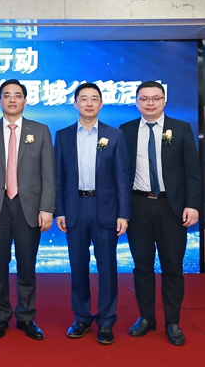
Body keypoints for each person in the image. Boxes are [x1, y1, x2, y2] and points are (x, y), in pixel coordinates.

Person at [0, 78, 55, 340]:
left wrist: (47, 208)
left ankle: (26, 317)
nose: (12, 99)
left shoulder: (40, 130)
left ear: (25, 101)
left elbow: (49, 174)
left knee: (27, 265)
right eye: (6, 95)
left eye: (17, 95)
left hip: (28, 207)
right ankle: (0, 316)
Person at [120, 81, 200, 346]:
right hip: (138, 206)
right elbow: (120, 173)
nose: (150, 103)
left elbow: (192, 171)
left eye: (155, 98)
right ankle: (146, 318)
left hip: (171, 207)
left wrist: (192, 204)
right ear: (136, 102)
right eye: (144, 99)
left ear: (165, 101)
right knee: (142, 266)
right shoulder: (126, 130)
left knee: (172, 266)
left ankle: (173, 322)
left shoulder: (181, 128)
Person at [54, 83, 130, 345]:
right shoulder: (63, 135)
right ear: (75, 103)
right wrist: (59, 211)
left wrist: (123, 213)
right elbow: (59, 177)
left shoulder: (114, 135)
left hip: (106, 209)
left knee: (107, 267)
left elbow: (122, 178)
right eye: (83, 99)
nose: (88, 103)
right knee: (78, 266)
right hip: (75, 208)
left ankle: (106, 321)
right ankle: (82, 318)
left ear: (101, 104)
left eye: (94, 99)